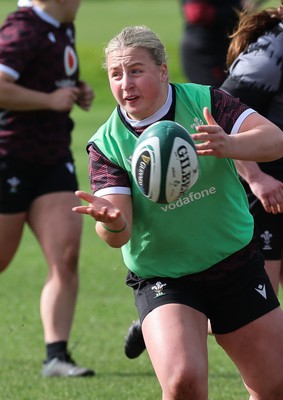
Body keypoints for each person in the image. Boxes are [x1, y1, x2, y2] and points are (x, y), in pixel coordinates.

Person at [73, 25, 283, 399]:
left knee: (274, 385)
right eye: (116, 75)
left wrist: (230, 143)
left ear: (163, 71)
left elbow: (275, 141)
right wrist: (114, 222)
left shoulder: (206, 102)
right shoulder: (107, 144)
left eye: (136, 71)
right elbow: (116, 236)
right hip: (164, 275)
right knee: (183, 381)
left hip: (233, 262)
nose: (126, 84)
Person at [0, 0, 95, 377]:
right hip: (10, 159)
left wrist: (75, 90)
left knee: (66, 257)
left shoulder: (61, 25)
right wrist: (49, 100)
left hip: (54, 159)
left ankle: (56, 356)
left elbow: (50, 79)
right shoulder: (22, 29)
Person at [220, 1, 283, 296]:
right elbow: (218, 115)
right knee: (259, 304)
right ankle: (168, 314)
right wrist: (256, 177)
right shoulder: (271, 52)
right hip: (266, 190)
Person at [180, 0, 244, 86]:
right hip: (207, 52)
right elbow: (196, 12)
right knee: (215, 96)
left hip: (225, 48)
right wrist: (239, 7)